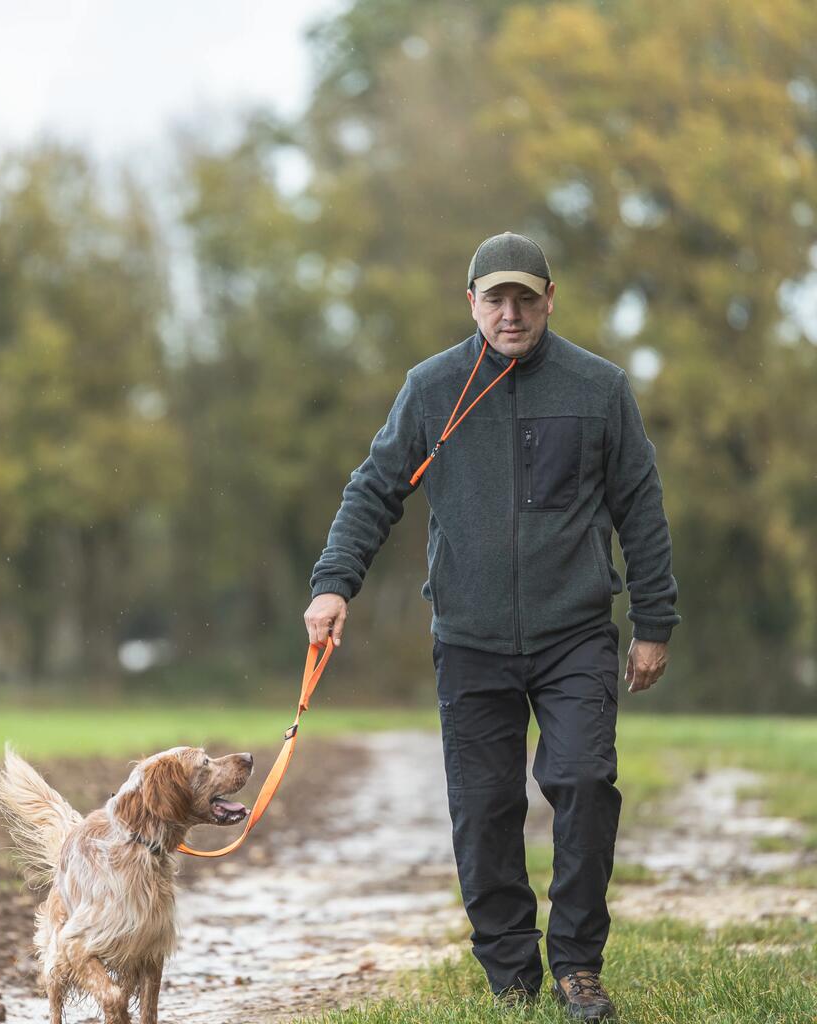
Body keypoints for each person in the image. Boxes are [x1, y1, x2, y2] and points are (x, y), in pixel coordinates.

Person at [304, 232, 679, 1021]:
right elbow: (374, 489)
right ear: (469, 301)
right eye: (494, 298)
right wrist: (335, 584)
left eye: (526, 297)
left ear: (551, 299)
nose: (511, 313)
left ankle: (578, 966)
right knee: (484, 810)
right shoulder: (431, 388)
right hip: (469, 637)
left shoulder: (600, 387)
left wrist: (654, 619)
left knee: (582, 780)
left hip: (575, 630)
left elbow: (640, 504)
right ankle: (511, 976)